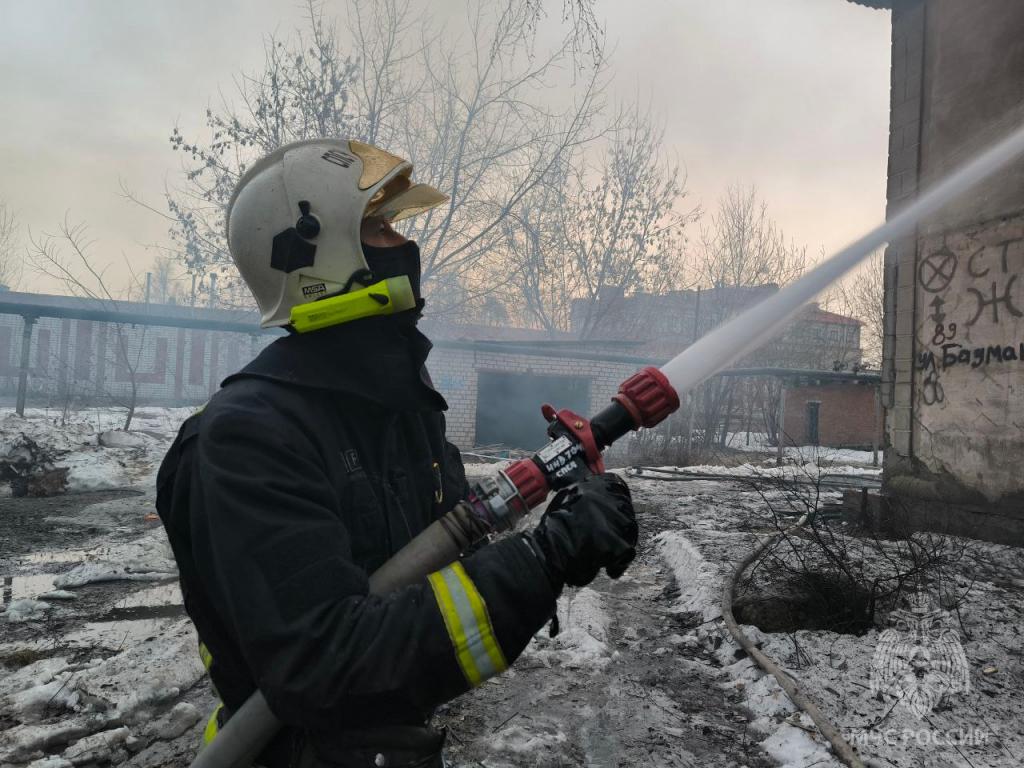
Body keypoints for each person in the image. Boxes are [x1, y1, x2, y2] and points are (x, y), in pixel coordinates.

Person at [156, 138, 637, 768]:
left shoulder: (396, 404)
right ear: (315, 251)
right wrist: (544, 560)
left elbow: (443, 538)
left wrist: (555, 498)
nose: (404, 245)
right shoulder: (247, 438)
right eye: (378, 226)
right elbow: (327, 665)